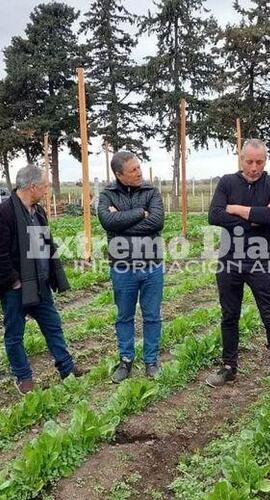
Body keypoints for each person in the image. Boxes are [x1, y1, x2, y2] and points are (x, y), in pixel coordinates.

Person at [0, 165, 85, 395]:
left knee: (53, 327)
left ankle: (67, 369)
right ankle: (24, 377)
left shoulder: (38, 212)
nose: (47, 190)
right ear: (33, 187)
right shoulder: (2, 213)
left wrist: (52, 274)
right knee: (14, 334)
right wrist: (15, 282)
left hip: (40, 284)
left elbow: (45, 246)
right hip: (15, 288)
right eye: (45, 186)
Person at [206, 138, 270, 389]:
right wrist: (255, 217)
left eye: (260, 162)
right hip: (229, 260)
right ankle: (229, 367)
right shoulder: (227, 182)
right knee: (229, 316)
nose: (254, 167)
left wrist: (237, 209)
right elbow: (214, 215)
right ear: (241, 159)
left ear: (266, 161)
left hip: (260, 261)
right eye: (250, 161)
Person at [97, 151, 165, 383]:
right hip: (122, 267)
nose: (139, 172)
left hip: (152, 266)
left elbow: (157, 222)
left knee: (152, 316)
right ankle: (126, 361)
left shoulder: (151, 191)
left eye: (139, 167)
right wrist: (139, 214)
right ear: (119, 175)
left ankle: (151, 361)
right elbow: (107, 221)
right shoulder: (107, 194)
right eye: (133, 170)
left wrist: (121, 223)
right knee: (124, 316)